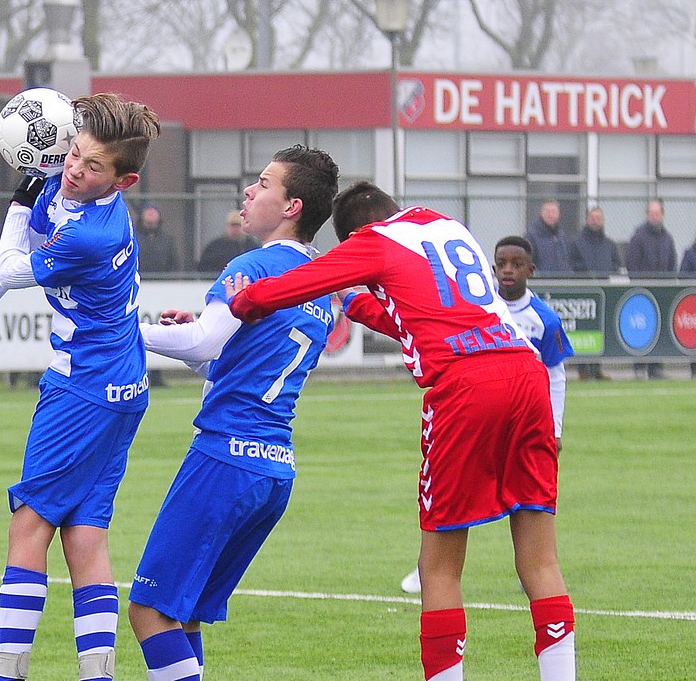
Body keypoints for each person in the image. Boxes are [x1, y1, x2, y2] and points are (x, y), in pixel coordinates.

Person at [226, 182, 576, 681]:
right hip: (526, 374)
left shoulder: (372, 242)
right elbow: (424, 319)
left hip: (465, 385)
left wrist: (246, 300)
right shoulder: (447, 226)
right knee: (541, 562)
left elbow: (301, 281)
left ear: (354, 234)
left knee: (439, 567)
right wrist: (359, 304)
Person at [0, 93, 161, 681]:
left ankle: (8, 675)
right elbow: (5, 262)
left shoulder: (93, 234)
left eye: (93, 166)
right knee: (86, 535)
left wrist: (17, 203)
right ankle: (97, 676)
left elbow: (10, 266)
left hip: (84, 387)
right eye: (74, 153)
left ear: (124, 181)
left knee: (29, 526)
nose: (74, 168)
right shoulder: (67, 184)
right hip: (121, 385)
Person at [128, 145, 338, 681]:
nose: (248, 190)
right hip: (274, 469)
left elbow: (203, 342)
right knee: (185, 613)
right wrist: (192, 340)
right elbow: (229, 362)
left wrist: (117, 330)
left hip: (225, 458)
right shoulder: (320, 286)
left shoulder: (255, 265)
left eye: (264, 183)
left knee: (150, 610)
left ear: (291, 207)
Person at [400, 234, 574, 594]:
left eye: (516, 264)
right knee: (459, 487)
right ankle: (429, 567)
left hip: (525, 416)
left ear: (530, 270)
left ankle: (535, 570)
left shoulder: (543, 319)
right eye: (501, 264)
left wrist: (555, 427)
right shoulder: (481, 307)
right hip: (481, 409)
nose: (507, 271)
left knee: (525, 500)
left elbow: (556, 375)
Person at [626, 199, 676, 379]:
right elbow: (631, 263)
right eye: (651, 213)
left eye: (657, 213)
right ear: (647, 215)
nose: (654, 216)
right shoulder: (638, 237)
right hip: (642, 293)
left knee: (659, 330)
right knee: (640, 330)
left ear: (662, 215)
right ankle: (639, 366)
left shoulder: (667, 238)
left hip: (661, 293)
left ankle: (656, 367)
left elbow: (672, 263)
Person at [568, 206, 617, 380]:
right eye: (593, 217)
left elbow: (616, 265)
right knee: (584, 329)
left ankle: (597, 368)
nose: (596, 221)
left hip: (603, 295)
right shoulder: (576, 243)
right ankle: (582, 369)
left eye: (598, 218)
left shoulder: (609, 244)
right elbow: (571, 265)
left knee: (601, 330)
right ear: (587, 219)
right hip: (584, 294)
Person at [523, 200, 571, 275]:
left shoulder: (562, 236)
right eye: (547, 211)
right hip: (542, 280)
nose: (550, 214)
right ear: (541, 213)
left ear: (559, 214)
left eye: (553, 211)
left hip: (563, 280)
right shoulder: (531, 236)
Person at [136, 203, 180, 275]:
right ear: (141, 215)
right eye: (147, 209)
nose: (151, 211)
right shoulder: (133, 239)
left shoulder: (167, 241)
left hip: (163, 280)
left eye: (154, 209)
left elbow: (174, 265)